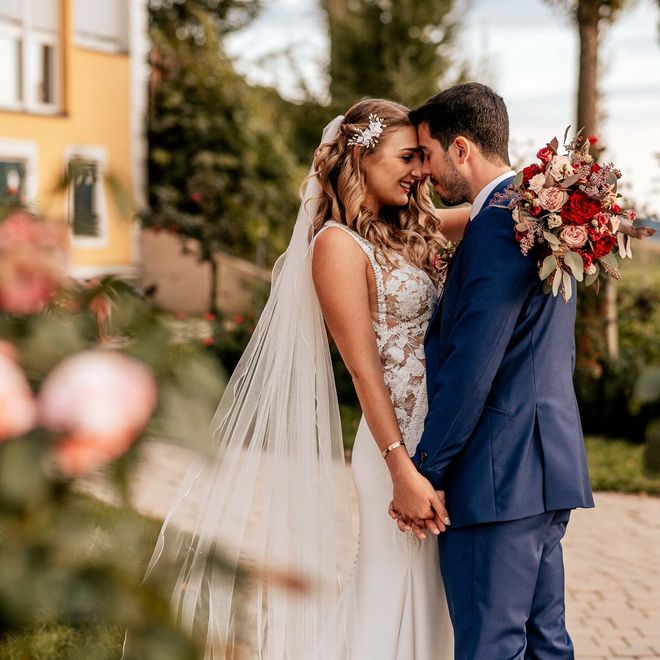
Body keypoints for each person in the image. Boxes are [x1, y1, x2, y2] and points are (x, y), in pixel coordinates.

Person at [130, 98, 470, 660]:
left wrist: (572, 208)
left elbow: (487, 211)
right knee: (390, 595)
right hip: (394, 451)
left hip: (437, 442)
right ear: (362, 158)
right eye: (408, 156)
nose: (421, 171)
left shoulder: (411, 231)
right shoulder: (336, 246)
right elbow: (363, 372)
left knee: (431, 599)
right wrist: (400, 469)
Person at [390, 82, 595, 660]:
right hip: (544, 463)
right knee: (545, 643)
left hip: (498, 474)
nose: (424, 172)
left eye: (426, 154)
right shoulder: (532, 211)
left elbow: (471, 368)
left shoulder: (497, 229)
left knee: (491, 646)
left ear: (460, 149)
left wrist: (424, 471)